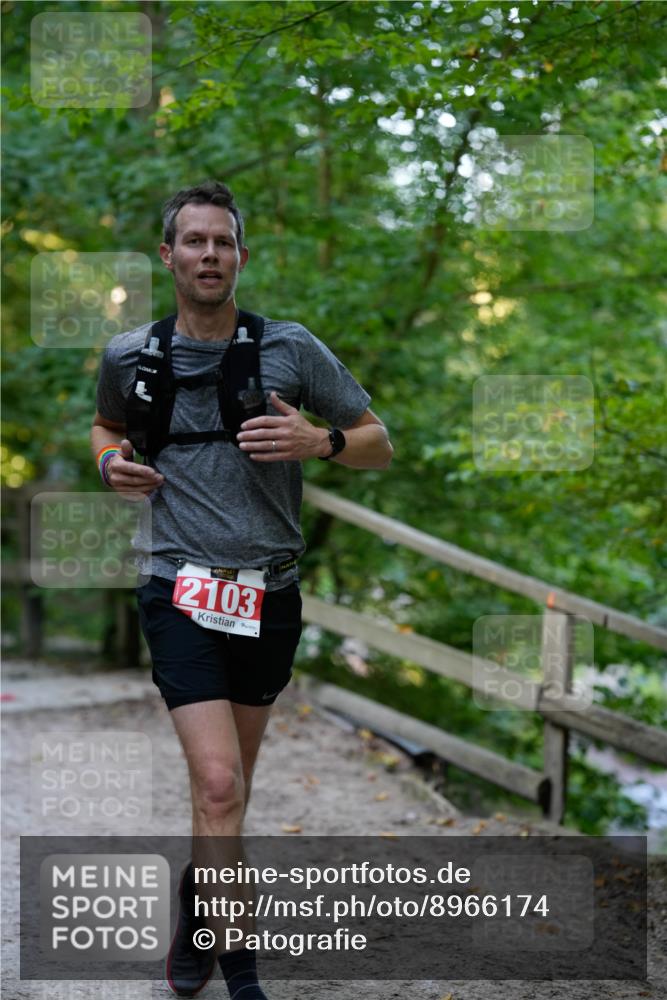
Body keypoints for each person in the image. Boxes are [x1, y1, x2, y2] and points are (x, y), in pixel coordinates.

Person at [90, 180, 393, 999]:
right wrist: (110, 465)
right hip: (177, 587)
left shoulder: (290, 349)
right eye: (194, 241)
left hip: (269, 596)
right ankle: (244, 976)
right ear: (168, 255)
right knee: (219, 785)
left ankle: (196, 915)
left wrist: (320, 440)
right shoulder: (130, 356)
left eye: (222, 242)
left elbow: (378, 443)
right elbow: (107, 428)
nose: (209, 255)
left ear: (241, 256)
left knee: (224, 795)